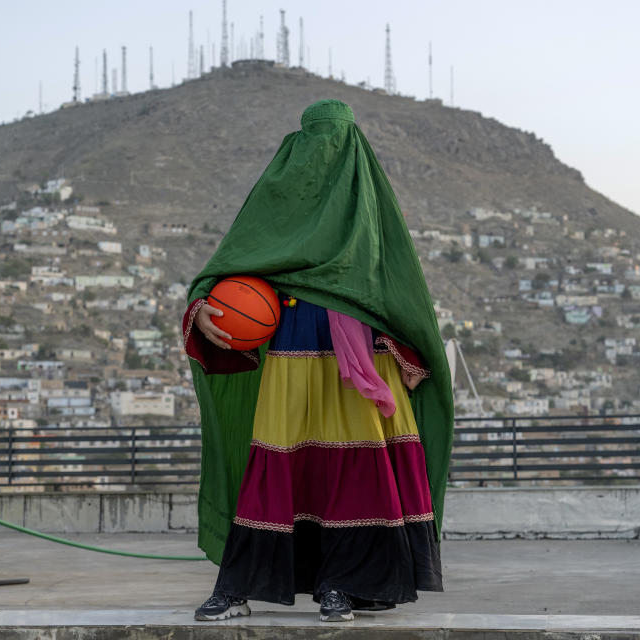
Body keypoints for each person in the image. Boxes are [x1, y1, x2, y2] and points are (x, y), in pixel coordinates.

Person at [181, 99, 453, 622]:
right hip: (290, 353)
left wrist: (407, 349)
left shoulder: (369, 207)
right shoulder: (275, 200)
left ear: (352, 147)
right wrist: (205, 309)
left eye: (332, 138)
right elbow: (229, 266)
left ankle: (343, 584)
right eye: (313, 138)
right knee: (277, 463)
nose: (322, 150)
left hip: (365, 360)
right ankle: (238, 584)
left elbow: (399, 293)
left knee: (357, 470)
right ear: (295, 144)